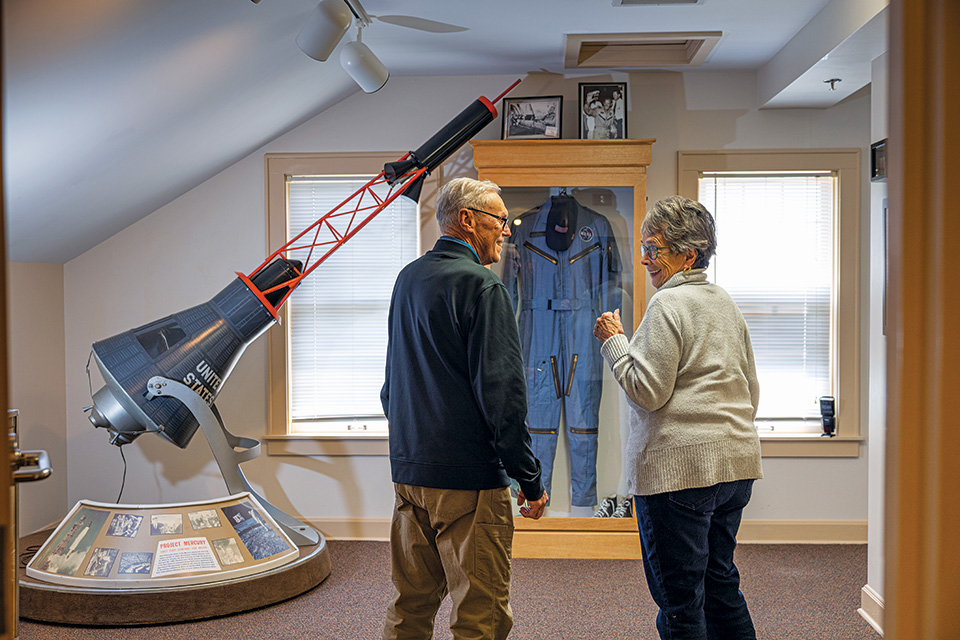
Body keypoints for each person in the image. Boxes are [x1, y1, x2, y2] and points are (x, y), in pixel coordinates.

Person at [381, 177, 549, 640]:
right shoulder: (484, 288)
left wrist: (410, 450)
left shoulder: (408, 278)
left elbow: (390, 385)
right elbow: (504, 397)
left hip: (410, 476)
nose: (508, 230)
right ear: (468, 220)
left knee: (408, 607)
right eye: (500, 220)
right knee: (480, 616)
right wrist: (529, 479)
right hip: (469, 484)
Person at [593, 195, 762, 640]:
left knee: (681, 603)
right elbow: (751, 389)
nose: (646, 258)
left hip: (679, 476)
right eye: (646, 247)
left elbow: (647, 393)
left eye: (656, 248)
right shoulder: (723, 302)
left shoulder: (667, 306)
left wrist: (615, 342)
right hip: (735, 466)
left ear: (689, 255)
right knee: (721, 583)